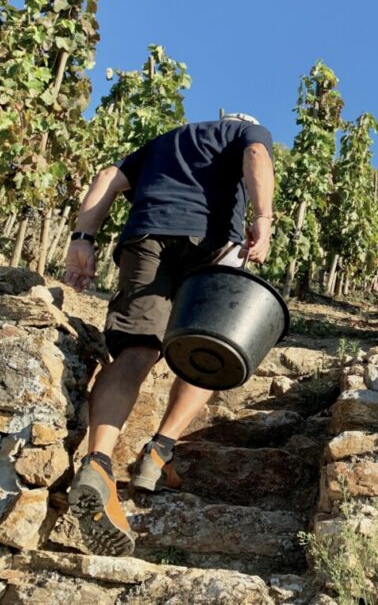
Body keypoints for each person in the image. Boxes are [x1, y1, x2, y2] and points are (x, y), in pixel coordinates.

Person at [63, 113, 275, 556]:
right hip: (211, 241)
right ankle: (159, 451)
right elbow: (256, 154)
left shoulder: (165, 140)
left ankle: (99, 462)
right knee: (210, 345)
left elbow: (108, 177)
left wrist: (83, 237)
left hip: (146, 237)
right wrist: (263, 217)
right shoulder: (245, 132)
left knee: (136, 350)